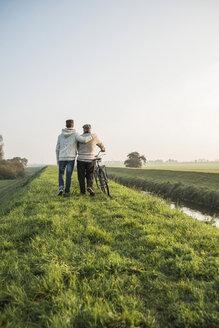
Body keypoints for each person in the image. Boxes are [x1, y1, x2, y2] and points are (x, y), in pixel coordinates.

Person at [56, 119, 93, 196]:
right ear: (73, 125)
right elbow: (84, 140)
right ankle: (67, 191)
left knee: (61, 174)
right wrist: (92, 136)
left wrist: (57, 159)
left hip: (62, 157)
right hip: (71, 158)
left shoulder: (60, 136)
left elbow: (57, 148)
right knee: (68, 176)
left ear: (66, 125)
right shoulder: (75, 134)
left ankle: (61, 188)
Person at [77, 124, 105, 196]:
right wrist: (103, 149)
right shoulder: (94, 137)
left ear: (83, 129)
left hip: (81, 159)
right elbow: (101, 144)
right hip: (90, 159)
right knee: (90, 174)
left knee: (81, 176)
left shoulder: (79, 137)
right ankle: (89, 186)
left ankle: (83, 192)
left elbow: (76, 147)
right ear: (90, 129)